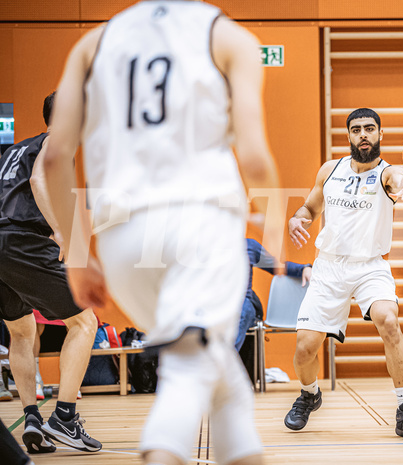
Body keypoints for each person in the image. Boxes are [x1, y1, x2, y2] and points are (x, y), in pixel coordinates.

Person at [43, 1, 285, 465]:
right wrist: (273, 227)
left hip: (122, 239)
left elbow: (56, 158)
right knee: (190, 365)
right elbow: (253, 157)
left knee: (221, 378)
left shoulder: (92, 44)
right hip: (200, 221)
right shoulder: (230, 37)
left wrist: (77, 256)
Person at [285, 108, 403, 439]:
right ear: (348, 136)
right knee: (305, 347)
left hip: (370, 266)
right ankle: (310, 395)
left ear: (380, 135)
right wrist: (298, 218)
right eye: (356, 129)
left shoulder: (386, 173)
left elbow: (400, 177)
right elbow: (310, 207)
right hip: (329, 266)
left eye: (369, 128)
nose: (362, 134)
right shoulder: (329, 170)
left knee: (389, 321)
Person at [0, 92, 100, 454]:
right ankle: (65, 418)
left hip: (1, 244)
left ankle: (31, 418)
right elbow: (40, 183)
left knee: (21, 332)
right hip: (23, 239)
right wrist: (60, 231)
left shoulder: (14, 151)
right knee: (86, 323)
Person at [237, 238, 311, 352]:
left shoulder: (248, 245)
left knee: (242, 307)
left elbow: (277, 266)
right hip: (216, 306)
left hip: (243, 307)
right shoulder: (204, 247)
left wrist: (304, 268)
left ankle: (221, 363)